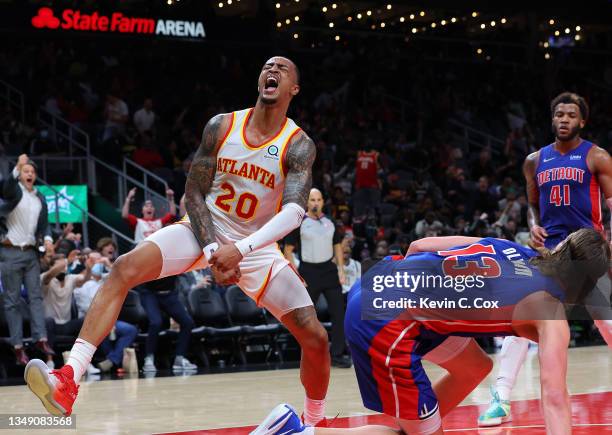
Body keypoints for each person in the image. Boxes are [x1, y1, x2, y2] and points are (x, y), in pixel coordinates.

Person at [25, 56, 331, 426]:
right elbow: (195, 192)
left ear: (293, 89)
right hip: (203, 230)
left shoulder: (298, 144)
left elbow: (295, 211)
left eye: (282, 69)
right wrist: (214, 251)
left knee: (315, 339)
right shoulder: (222, 126)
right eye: (268, 66)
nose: (273, 71)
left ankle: (314, 423)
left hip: (257, 247)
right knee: (124, 268)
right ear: (259, 80)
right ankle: (68, 379)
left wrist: (242, 250)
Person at [252, 229, 610, 435]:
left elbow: (419, 247)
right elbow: (555, 397)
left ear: (560, 249)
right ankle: (294, 431)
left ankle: (414, 421)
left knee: (476, 367)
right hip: (384, 321)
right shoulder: (550, 312)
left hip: (378, 282)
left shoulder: (511, 249)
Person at [478, 92, 612, 427]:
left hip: (585, 254)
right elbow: (533, 207)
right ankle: (501, 398)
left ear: (582, 121)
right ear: (552, 119)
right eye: (559, 114)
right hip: (549, 255)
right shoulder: (534, 161)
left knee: (608, 322)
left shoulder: (597, 157)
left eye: (571, 115)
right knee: (518, 326)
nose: (564, 119)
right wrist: (533, 225)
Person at [284, 188, 350, 368]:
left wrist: (341, 270)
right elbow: (288, 250)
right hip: (308, 271)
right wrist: (295, 273)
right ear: (307, 202)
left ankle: (337, 354)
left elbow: (337, 246)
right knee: (305, 316)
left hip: (328, 270)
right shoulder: (299, 223)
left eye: (318, 199)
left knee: (339, 314)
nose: (315, 203)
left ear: (322, 202)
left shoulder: (330, 223)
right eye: (312, 199)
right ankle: (307, 354)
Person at [0, 154, 55, 366]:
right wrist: (17, 167)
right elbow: (5, 187)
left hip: (31, 252)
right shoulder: (15, 192)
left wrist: (49, 239)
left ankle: (40, 339)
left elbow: (44, 225)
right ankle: (17, 347)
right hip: (10, 251)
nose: (29, 174)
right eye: (26, 171)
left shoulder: (40, 197)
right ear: (21, 175)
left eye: (32, 171)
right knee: (12, 301)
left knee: (35, 297)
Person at [73, 262, 137, 373]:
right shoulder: (83, 286)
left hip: (110, 319)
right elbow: (87, 308)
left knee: (130, 330)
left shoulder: (106, 281)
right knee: (103, 330)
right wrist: (106, 321)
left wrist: (108, 263)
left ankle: (111, 360)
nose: (98, 265)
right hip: (91, 321)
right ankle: (112, 361)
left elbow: (120, 273)